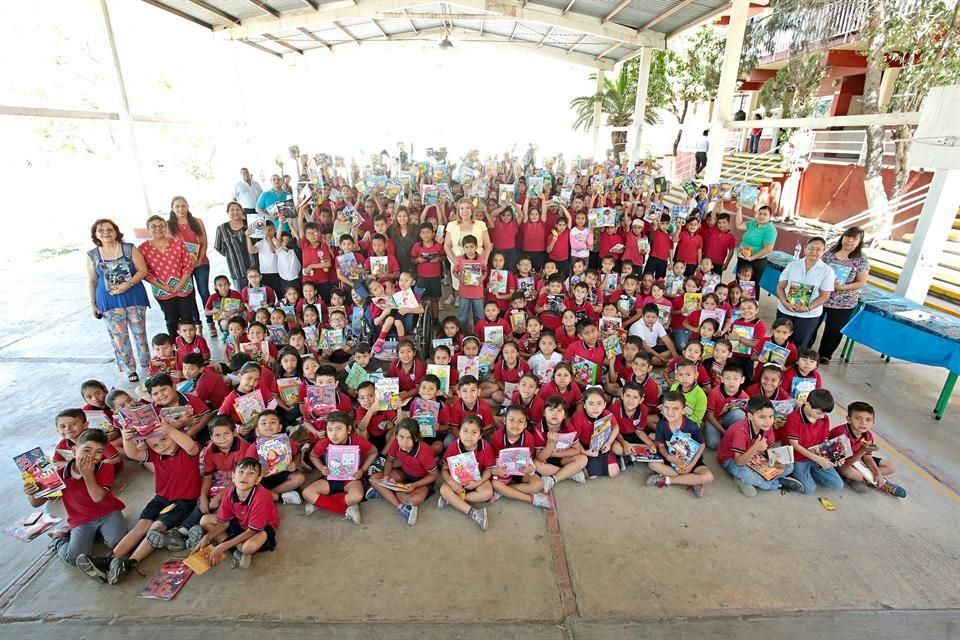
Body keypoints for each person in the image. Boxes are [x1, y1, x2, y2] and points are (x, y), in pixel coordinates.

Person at [22, 429, 127, 582]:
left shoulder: (106, 468)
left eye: (99, 452)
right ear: (74, 450)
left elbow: (98, 497)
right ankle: (60, 539)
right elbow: (36, 503)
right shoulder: (57, 475)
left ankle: (98, 533)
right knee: (75, 558)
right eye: (86, 450)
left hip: (108, 513)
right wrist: (31, 493)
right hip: (81, 520)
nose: (92, 456)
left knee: (119, 543)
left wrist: (87, 474)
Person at [107, 421, 201, 584]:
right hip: (160, 498)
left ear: (173, 435)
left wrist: (170, 429)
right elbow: (133, 454)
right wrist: (126, 438)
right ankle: (111, 559)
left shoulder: (187, 451)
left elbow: (191, 446)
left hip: (183, 501)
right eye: (155, 445)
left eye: (164, 439)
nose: (161, 446)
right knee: (141, 525)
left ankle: (131, 562)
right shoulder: (157, 455)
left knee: (155, 530)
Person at [87, 219, 151, 382]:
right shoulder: (93, 255)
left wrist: (127, 284)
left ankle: (148, 365)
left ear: (116, 232)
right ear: (95, 234)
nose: (105, 233)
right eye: (100, 230)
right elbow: (92, 280)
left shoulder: (129, 249)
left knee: (140, 333)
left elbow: (142, 270)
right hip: (109, 301)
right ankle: (130, 369)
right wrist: (93, 303)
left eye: (109, 230)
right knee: (119, 336)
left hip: (133, 296)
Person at [187, 456, 279, 570]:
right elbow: (223, 524)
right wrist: (207, 537)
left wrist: (222, 547)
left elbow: (252, 530)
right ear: (233, 476)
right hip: (239, 520)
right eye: (241, 472)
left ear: (258, 480)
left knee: (248, 547)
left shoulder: (262, 497)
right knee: (204, 520)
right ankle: (236, 549)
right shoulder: (229, 493)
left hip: (262, 528)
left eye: (251, 473)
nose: (244, 476)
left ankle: (236, 548)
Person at [716, 396, 804, 496]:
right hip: (730, 459)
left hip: (756, 456)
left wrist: (776, 460)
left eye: (771, 416)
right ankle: (777, 483)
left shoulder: (767, 427)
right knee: (749, 476)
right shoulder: (740, 430)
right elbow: (739, 462)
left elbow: (769, 449)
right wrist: (755, 448)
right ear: (750, 416)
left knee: (789, 467)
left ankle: (746, 479)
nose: (768, 421)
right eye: (762, 417)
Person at [816, 227, 869, 364]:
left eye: (854, 238)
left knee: (833, 329)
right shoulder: (832, 250)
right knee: (812, 324)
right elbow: (819, 266)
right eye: (847, 236)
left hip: (843, 301)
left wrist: (842, 287)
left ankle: (825, 355)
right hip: (822, 296)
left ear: (859, 241)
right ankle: (805, 350)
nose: (849, 241)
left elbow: (861, 282)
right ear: (843, 237)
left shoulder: (861, 259)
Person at [140, 215, 198, 337]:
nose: (158, 229)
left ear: (166, 227)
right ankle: (176, 349)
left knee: (187, 319)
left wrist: (181, 283)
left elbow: (188, 264)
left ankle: (191, 349)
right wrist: (163, 287)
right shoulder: (143, 249)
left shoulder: (177, 243)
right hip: (162, 291)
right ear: (148, 229)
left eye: (161, 225)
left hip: (184, 287)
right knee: (171, 320)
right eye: (153, 226)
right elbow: (145, 272)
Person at [775, 236, 835, 349]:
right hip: (785, 309)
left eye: (818, 249)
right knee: (779, 340)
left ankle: (795, 366)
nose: (814, 252)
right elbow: (780, 287)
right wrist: (784, 302)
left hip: (809, 315)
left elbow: (824, 296)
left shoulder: (827, 271)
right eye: (811, 248)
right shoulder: (793, 265)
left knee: (800, 343)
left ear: (823, 251)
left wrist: (808, 308)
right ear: (805, 249)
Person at [167, 196, 212, 334]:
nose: (181, 209)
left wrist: (200, 257)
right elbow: (169, 247)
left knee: (204, 292)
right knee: (189, 295)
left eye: (183, 206)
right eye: (177, 206)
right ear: (172, 209)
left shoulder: (197, 221)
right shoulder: (169, 225)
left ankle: (210, 322)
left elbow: (204, 241)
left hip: (201, 263)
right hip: (182, 268)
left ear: (187, 206)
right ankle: (197, 324)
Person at [443, 199, 492, 306]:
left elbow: (487, 245)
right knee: (461, 287)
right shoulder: (452, 225)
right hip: (459, 263)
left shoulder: (481, 224)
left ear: (472, 210)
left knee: (476, 290)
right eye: (462, 208)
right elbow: (446, 245)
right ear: (458, 211)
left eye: (468, 208)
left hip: (477, 263)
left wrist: (485, 259)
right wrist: (453, 260)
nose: (465, 211)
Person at [733, 204, 777, 297]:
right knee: (740, 282)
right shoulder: (753, 223)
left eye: (765, 214)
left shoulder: (770, 230)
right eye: (760, 213)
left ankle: (752, 308)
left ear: (770, 216)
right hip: (743, 257)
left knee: (752, 286)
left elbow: (768, 248)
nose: (761, 216)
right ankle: (738, 307)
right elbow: (739, 225)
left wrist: (752, 258)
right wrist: (739, 210)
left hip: (756, 261)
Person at [214, 201, 253, 290]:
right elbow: (219, 247)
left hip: (253, 266)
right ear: (228, 212)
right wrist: (231, 254)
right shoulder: (222, 228)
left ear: (242, 211)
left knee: (258, 294)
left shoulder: (250, 224)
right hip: (237, 269)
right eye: (232, 210)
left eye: (238, 209)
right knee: (241, 296)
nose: (235, 212)